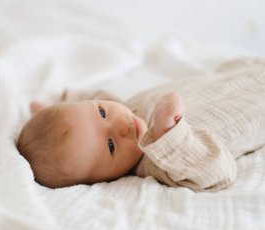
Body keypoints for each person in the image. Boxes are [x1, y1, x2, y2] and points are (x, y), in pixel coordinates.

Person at [17, 58, 265, 191]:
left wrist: (57, 107)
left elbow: (94, 99)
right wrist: (168, 133)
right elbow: (218, 173)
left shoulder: (124, 109)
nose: (122, 126)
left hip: (236, 76)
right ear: (101, 180)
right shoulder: (157, 162)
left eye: (102, 112)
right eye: (111, 146)